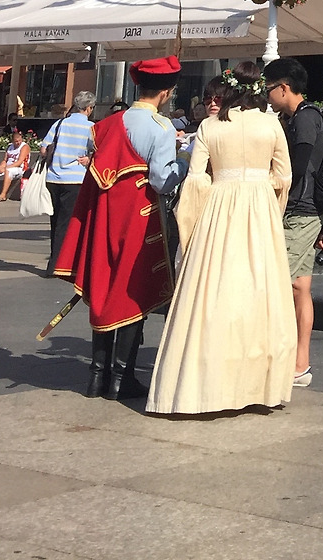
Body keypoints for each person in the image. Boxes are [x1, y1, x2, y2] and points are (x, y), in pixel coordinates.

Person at [146, 63, 294, 415]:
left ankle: (203, 386)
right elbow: (284, 176)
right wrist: (266, 198)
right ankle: (257, 385)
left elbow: (196, 180)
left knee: (212, 290)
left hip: (219, 207)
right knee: (260, 291)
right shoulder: (271, 124)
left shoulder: (210, 126)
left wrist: (191, 226)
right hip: (259, 209)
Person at [54, 56, 183, 398]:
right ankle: (121, 380)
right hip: (140, 218)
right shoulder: (162, 128)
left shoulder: (106, 125)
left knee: (104, 285)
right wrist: (182, 167)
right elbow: (161, 180)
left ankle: (97, 377)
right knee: (134, 291)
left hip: (105, 217)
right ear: (167, 92)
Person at [264, 57, 323, 388]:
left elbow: (298, 167)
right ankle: (299, 364)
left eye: (268, 89)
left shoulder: (304, 119)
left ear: (284, 88)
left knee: (281, 283)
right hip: (308, 210)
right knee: (300, 286)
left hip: (298, 211)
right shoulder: (304, 117)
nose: (266, 96)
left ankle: (285, 358)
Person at [42, 90, 96, 277]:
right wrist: (87, 159)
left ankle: (54, 261)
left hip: (53, 178)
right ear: (88, 108)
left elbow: (43, 149)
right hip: (75, 179)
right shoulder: (91, 127)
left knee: (55, 221)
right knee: (67, 223)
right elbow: (97, 150)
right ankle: (60, 265)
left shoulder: (59, 124)